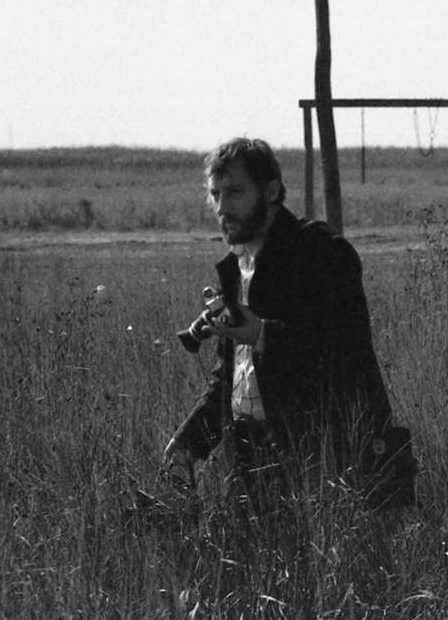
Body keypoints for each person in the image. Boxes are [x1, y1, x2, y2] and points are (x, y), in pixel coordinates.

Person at [162, 137, 395, 506]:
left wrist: (262, 333)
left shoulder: (319, 251)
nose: (222, 207)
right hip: (249, 453)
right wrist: (191, 442)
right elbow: (233, 373)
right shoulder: (235, 266)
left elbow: (344, 349)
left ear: (270, 191)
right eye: (215, 194)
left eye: (235, 192)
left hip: (321, 455)